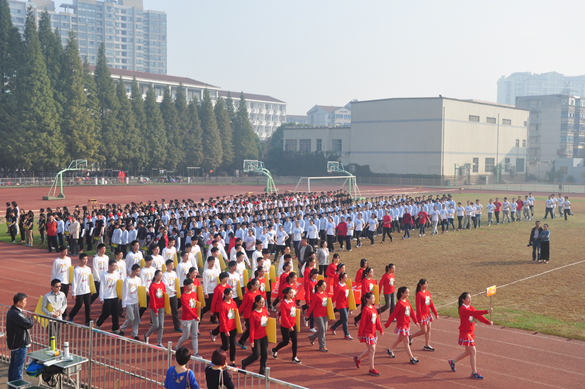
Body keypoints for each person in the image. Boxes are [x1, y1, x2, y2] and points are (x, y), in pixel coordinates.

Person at [448, 292, 493, 380]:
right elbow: (474, 312)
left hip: (471, 333)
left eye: (470, 298)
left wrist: (487, 322)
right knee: (473, 352)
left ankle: (452, 362)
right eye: (468, 298)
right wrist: (486, 311)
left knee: (468, 352)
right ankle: (474, 372)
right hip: (465, 333)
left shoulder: (470, 307)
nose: (470, 300)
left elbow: (478, 315)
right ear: (463, 300)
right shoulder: (463, 309)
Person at [384, 286, 420, 364]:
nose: (408, 294)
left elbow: (412, 312)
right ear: (401, 293)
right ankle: (411, 358)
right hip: (402, 325)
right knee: (406, 341)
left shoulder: (407, 302)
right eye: (406, 293)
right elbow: (393, 314)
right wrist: (388, 323)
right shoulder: (399, 304)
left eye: (408, 293)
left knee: (399, 339)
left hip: (407, 324)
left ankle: (390, 350)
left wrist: (416, 321)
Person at [353, 292, 384, 376]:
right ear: (367, 299)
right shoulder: (365, 310)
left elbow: (377, 320)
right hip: (367, 333)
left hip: (373, 332)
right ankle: (371, 368)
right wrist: (360, 334)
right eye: (372, 298)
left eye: (374, 298)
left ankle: (358, 358)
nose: (374, 299)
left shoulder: (373, 308)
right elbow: (362, 323)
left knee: (371, 350)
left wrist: (380, 329)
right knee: (372, 350)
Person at [7, 293, 34, 381]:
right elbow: (28, 323)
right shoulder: (16, 313)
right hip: (19, 345)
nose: (26, 303)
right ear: (19, 302)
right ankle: (16, 386)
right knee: (18, 368)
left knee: (13, 366)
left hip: (15, 344)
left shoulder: (12, 312)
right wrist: (30, 320)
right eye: (24, 301)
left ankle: (11, 385)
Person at [240, 295, 269, 375]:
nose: (263, 304)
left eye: (264, 302)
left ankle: (262, 370)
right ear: (256, 303)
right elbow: (252, 328)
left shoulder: (264, 310)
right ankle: (244, 362)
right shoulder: (253, 314)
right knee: (256, 355)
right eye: (261, 302)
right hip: (256, 337)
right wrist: (252, 340)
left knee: (265, 354)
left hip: (264, 335)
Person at [272, 286, 302, 363]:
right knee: (285, 342)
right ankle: (275, 350)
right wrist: (289, 326)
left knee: (295, 341)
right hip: (286, 326)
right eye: (290, 293)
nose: (292, 294)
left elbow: (294, 314)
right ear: (286, 294)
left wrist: (294, 324)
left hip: (293, 325)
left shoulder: (292, 302)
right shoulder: (283, 304)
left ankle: (294, 357)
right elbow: (284, 317)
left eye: (293, 293)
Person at [410, 279, 439, 351]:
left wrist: (435, 313)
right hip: (422, 315)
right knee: (424, 331)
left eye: (427, 284)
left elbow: (431, 304)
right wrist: (420, 317)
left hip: (427, 314)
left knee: (429, 329)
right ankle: (410, 337)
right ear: (420, 285)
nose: (426, 286)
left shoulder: (428, 293)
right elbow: (418, 307)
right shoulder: (419, 294)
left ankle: (427, 345)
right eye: (425, 284)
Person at [176, 278, 200, 357]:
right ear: (185, 286)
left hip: (194, 318)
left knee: (194, 335)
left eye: (192, 285)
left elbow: (196, 305)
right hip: (186, 319)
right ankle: (177, 347)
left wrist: (196, 315)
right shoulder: (183, 296)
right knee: (185, 336)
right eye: (190, 285)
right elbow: (187, 308)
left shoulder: (194, 294)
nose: (192, 286)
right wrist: (195, 316)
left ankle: (196, 352)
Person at [96, 260, 121, 334]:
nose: (114, 267)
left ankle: (115, 328)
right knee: (106, 312)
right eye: (113, 266)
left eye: (115, 266)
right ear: (109, 266)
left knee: (115, 313)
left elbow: (119, 285)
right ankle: (99, 323)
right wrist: (101, 298)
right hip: (107, 297)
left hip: (115, 296)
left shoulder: (117, 274)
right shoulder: (104, 275)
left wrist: (119, 294)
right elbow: (102, 287)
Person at [119, 264, 142, 340]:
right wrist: (124, 304)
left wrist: (140, 302)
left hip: (136, 301)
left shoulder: (138, 279)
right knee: (131, 318)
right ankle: (122, 328)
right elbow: (124, 292)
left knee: (136, 318)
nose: (137, 272)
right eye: (136, 271)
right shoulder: (127, 280)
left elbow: (139, 290)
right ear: (132, 271)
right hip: (129, 302)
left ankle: (134, 333)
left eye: (138, 271)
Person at [69, 253, 93, 326]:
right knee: (78, 305)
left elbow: (90, 280)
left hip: (87, 290)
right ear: (80, 260)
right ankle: (71, 315)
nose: (85, 261)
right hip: (79, 291)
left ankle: (87, 320)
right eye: (84, 259)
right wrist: (74, 293)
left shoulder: (88, 269)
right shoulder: (77, 270)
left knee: (88, 306)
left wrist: (91, 289)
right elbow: (75, 282)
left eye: (86, 259)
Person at [237, 278, 261, 350]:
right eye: (256, 285)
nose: (258, 286)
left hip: (256, 314)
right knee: (251, 329)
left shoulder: (258, 293)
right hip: (248, 315)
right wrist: (238, 313)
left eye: (258, 284)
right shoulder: (247, 295)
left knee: (250, 330)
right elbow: (243, 305)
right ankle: (247, 343)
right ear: (252, 285)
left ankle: (241, 341)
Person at [145, 270, 166, 347]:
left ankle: (159, 342)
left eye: (161, 276)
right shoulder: (152, 286)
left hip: (162, 307)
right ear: (155, 276)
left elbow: (164, 295)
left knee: (161, 326)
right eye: (159, 276)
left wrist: (166, 307)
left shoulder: (162, 284)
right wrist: (155, 310)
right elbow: (152, 299)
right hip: (155, 307)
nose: (160, 277)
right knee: (156, 325)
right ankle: (147, 335)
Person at [218, 288, 238, 367]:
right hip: (225, 329)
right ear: (225, 295)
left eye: (232, 293)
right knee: (226, 346)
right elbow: (222, 318)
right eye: (229, 294)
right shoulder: (222, 304)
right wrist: (226, 330)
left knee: (233, 345)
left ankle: (232, 361)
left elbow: (236, 314)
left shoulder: (233, 303)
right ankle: (218, 355)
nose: (231, 295)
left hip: (233, 327)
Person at [307, 280, 329, 352]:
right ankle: (322, 346)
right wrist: (308, 315)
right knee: (322, 329)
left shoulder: (325, 293)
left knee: (324, 329)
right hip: (318, 314)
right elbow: (312, 306)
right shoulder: (316, 295)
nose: (325, 287)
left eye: (325, 286)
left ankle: (312, 337)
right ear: (318, 287)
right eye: (323, 286)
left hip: (324, 314)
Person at [50, 246, 71, 319]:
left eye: (66, 251)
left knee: (64, 298)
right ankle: (58, 313)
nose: (65, 253)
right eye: (64, 251)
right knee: (59, 299)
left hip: (66, 282)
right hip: (59, 283)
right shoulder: (57, 261)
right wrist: (53, 284)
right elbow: (54, 272)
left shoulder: (68, 259)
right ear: (60, 252)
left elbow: (70, 270)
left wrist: (70, 280)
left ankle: (64, 314)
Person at [330, 272, 352, 340]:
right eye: (345, 278)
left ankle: (333, 327)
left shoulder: (346, 285)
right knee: (345, 318)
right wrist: (330, 303)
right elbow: (334, 297)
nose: (346, 279)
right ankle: (346, 334)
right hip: (340, 305)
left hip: (346, 304)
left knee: (343, 319)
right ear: (341, 278)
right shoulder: (338, 287)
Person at [162, 259, 181, 332]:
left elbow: (176, 282)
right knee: (163, 311)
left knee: (175, 310)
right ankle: (158, 325)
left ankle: (177, 326)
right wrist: (173, 290)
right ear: (166, 266)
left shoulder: (174, 273)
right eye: (170, 265)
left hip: (173, 295)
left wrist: (176, 292)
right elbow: (165, 285)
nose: (172, 266)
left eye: (172, 265)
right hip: (167, 295)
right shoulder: (164, 275)